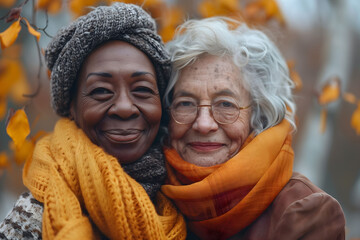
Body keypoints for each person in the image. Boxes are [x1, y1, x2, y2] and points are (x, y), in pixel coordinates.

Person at [0, 3, 186, 239]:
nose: (124, 107)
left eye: (142, 89)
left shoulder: (191, 200)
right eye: (101, 91)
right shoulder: (33, 217)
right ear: (72, 108)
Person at [160, 17, 346, 240]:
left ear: (259, 117)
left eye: (226, 105)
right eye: (186, 103)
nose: (203, 124)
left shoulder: (304, 212)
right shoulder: (141, 196)